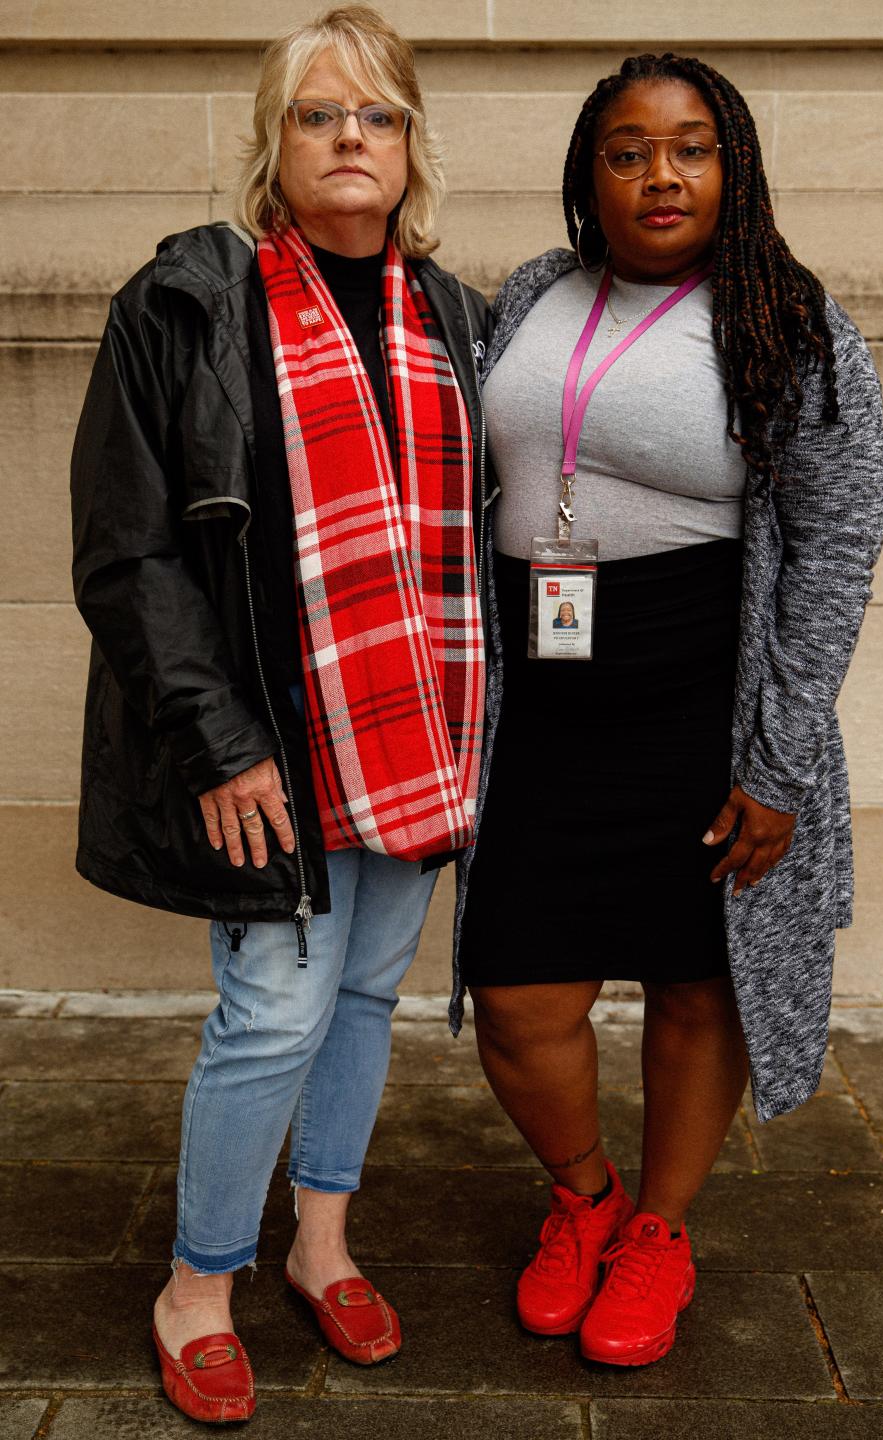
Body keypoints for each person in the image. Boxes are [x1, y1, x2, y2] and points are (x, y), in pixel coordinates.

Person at [70, 6, 495, 1423]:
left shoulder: (454, 315)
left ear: (410, 140)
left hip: (410, 730)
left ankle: (319, 1242)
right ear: (276, 139)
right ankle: (197, 1284)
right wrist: (220, 736)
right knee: (269, 1015)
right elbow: (126, 551)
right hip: (264, 745)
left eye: (376, 116)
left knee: (364, 994)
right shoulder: (188, 305)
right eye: (320, 116)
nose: (350, 140)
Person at [455, 53, 883, 1367]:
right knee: (520, 994)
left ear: (733, 167)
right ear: (590, 173)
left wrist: (781, 762)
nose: (661, 173)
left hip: (708, 698)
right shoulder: (536, 292)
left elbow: (835, 548)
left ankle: (661, 1229)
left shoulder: (790, 323)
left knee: (698, 989)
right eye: (629, 148)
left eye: (692, 147)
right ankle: (584, 1199)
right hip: (544, 701)